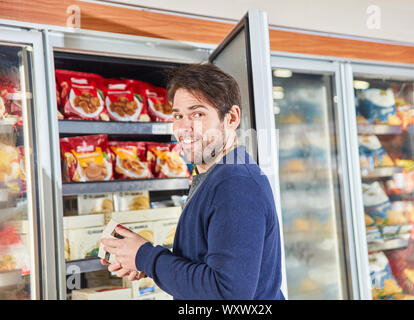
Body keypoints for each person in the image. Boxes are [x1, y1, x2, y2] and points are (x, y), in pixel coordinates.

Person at [101, 63, 285, 300]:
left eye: (197, 114)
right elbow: (208, 266)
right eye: (178, 115)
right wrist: (145, 263)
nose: (183, 128)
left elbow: (228, 294)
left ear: (232, 118)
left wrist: (146, 256)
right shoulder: (215, 176)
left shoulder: (236, 184)